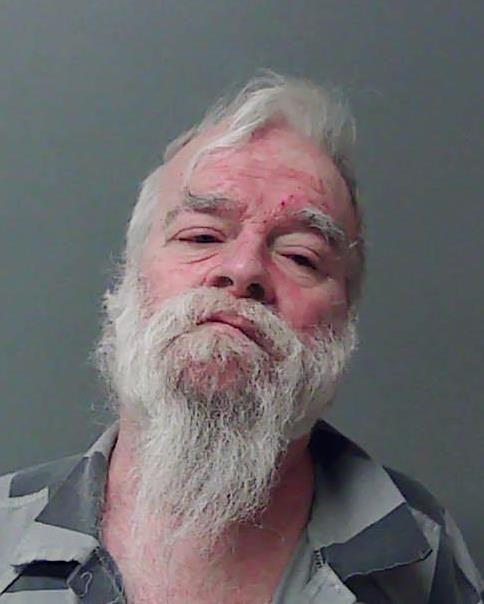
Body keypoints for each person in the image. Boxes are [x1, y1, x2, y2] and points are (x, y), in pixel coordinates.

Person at [0, 71, 481, 604]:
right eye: (202, 236)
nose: (243, 269)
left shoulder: (422, 554)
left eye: (300, 256)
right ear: (129, 277)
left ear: (344, 319)